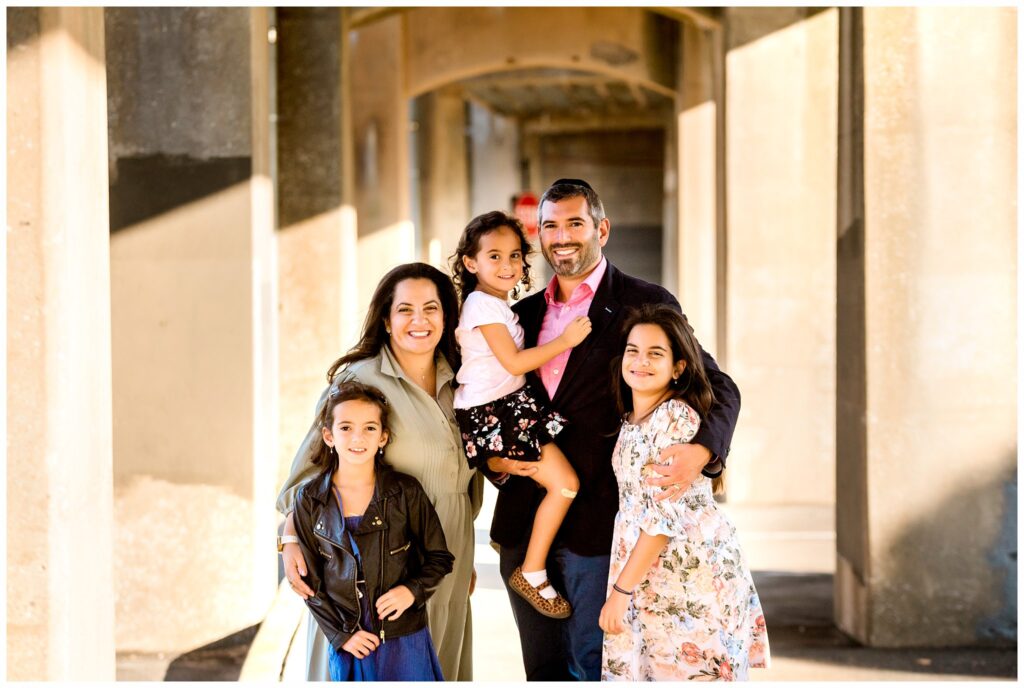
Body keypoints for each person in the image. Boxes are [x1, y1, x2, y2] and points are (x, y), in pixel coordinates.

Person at [482, 179, 742, 681]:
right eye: (550, 226)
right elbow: (491, 404)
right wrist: (491, 461)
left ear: (601, 228)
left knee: (594, 667)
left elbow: (720, 385)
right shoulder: (520, 316)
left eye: (575, 223)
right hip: (524, 521)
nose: (562, 237)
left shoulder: (641, 302)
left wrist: (704, 450)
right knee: (543, 671)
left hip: (602, 525)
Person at [277, 263, 482, 681]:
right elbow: (304, 478)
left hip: (445, 558)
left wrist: (460, 554)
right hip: (375, 572)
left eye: (431, 308)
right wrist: (290, 537)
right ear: (386, 320)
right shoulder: (360, 380)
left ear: (448, 317)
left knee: (439, 665)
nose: (419, 321)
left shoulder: (465, 380)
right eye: (405, 309)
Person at [598, 304, 769, 680]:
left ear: (679, 367)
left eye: (655, 353)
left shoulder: (675, 418)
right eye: (633, 350)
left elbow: (661, 520)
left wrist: (621, 592)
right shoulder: (633, 418)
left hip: (685, 573)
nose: (640, 361)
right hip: (651, 572)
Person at [449, 210, 589, 619]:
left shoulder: (494, 304)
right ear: (470, 263)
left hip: (507, 409)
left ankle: (518, 547)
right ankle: (531, 567)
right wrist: (566, 340)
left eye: (514, 256)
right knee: (564, 484)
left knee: (556, 482)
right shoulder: (481, 306)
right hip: (495, 414)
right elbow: (513, 363)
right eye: (494, 256)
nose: (508, 265)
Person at [292, 380, 454, 681]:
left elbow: (439, 557)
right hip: (350, 640)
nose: (358, 437)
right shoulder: (310, 499)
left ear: (383, 437)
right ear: (329, 436)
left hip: (404, 634)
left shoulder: (405, 491)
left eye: (369, 428)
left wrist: (412, 591)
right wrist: (342, 636)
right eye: (345, 428)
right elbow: (310, 584)